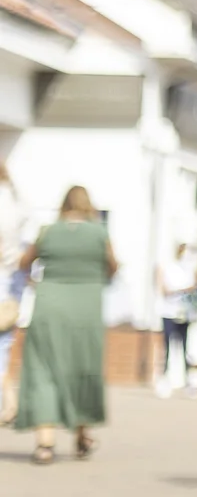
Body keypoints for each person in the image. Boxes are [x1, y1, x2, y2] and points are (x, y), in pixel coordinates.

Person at [14, 185, 115, 465]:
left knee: (43, 369)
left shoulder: (49, 231)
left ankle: (45, 443)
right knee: (83, 367)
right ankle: (82, 434)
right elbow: (112, 266)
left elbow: (24, 262)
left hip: (50, 305)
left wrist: (36, 281)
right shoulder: (99, 232)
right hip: (87, 308)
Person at [155, 242, 197, 397]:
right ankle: (164, 380)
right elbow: (164, 290)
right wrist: (184, 289)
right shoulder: (168, 268)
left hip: (185, 313)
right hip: (169, 312)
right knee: (167, 347)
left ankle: (187, 381)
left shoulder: (189, 270)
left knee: (185, 348)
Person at [0, 161, 24, 427]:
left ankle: (8, 403)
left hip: (2, 277)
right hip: (13, 278)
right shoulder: (16, 200)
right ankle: (10, 403)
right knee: (3, 345)